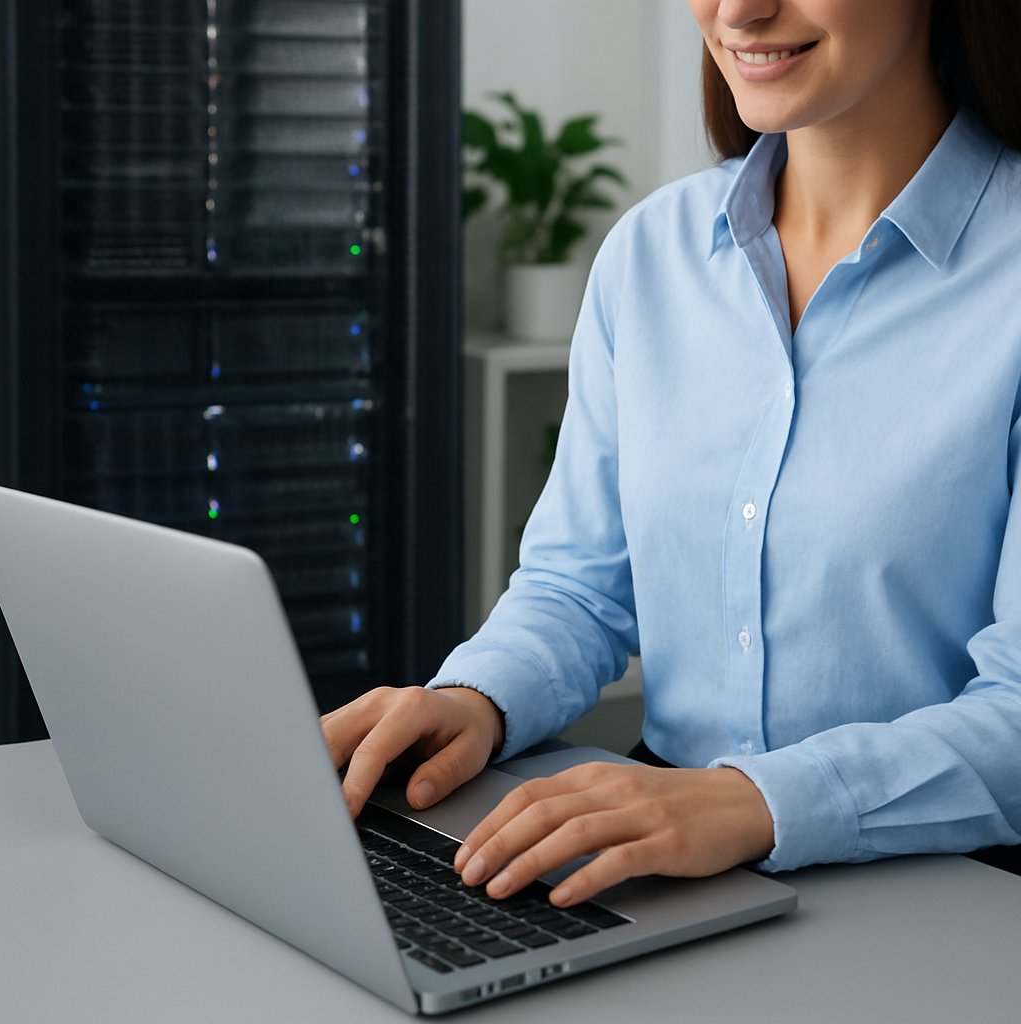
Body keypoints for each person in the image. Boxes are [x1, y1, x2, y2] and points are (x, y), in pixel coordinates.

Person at [322, 0, 1021, 908]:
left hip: (942, 895)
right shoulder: (650, 254)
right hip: (660, 854)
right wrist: (477, 701)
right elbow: (580, 587)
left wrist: (749, 803)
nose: (739, 10)